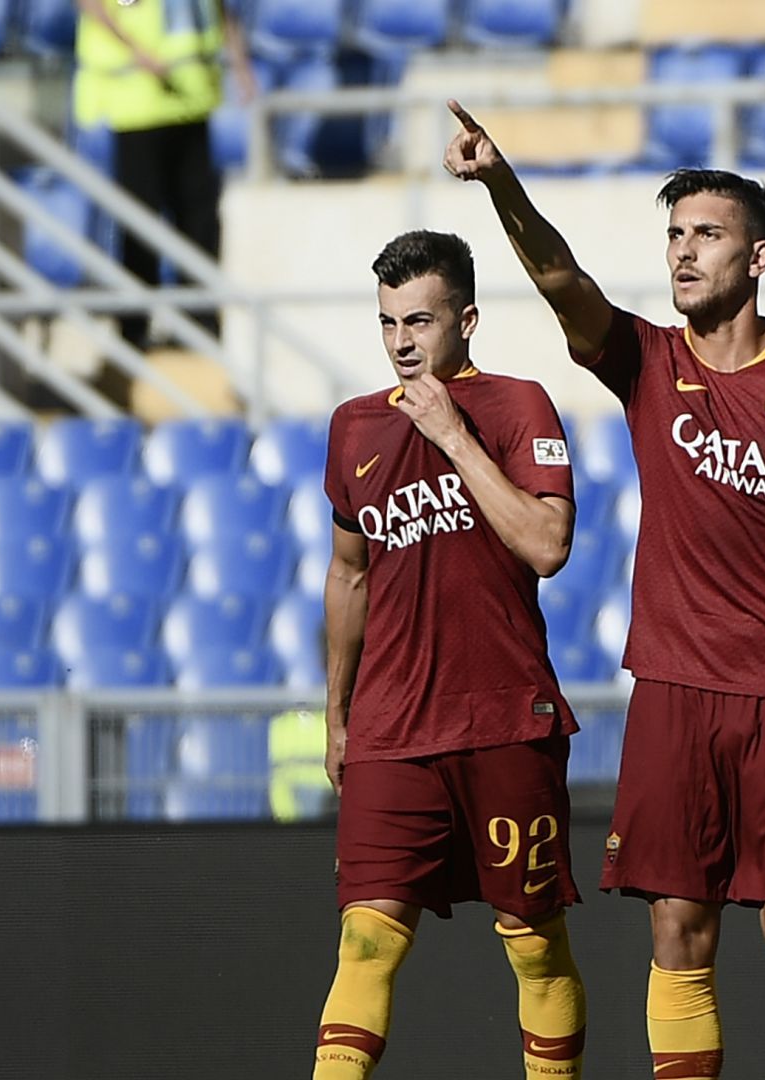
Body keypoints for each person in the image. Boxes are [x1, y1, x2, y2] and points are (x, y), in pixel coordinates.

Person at [448, 106, 765, 1080]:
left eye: (707, 234)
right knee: (680, 936)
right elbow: (555, 279)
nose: (683, 253)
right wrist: (501, 182)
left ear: (759, 255)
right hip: (674, 688)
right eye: (673, 236)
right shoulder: (648, 363)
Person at [312, 230, 587, 1080]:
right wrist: (338, 716)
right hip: (393, 729)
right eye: (389, 322)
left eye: (420, 321)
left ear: (466, 321)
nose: (401, 342)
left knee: (534, 947)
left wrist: (454, 438)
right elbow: (348, 576)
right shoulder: (353, 425)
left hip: (504, 719)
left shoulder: (517, 408)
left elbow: (548, 545)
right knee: (364, 941)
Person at [73, 0, 254, 356]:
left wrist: (240, 63)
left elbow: (220, 10)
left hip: (191, 99)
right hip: (138, 103)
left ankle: (200, 322)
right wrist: (136, 50)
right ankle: (135, 328)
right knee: (141, 225)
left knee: (200, 222)